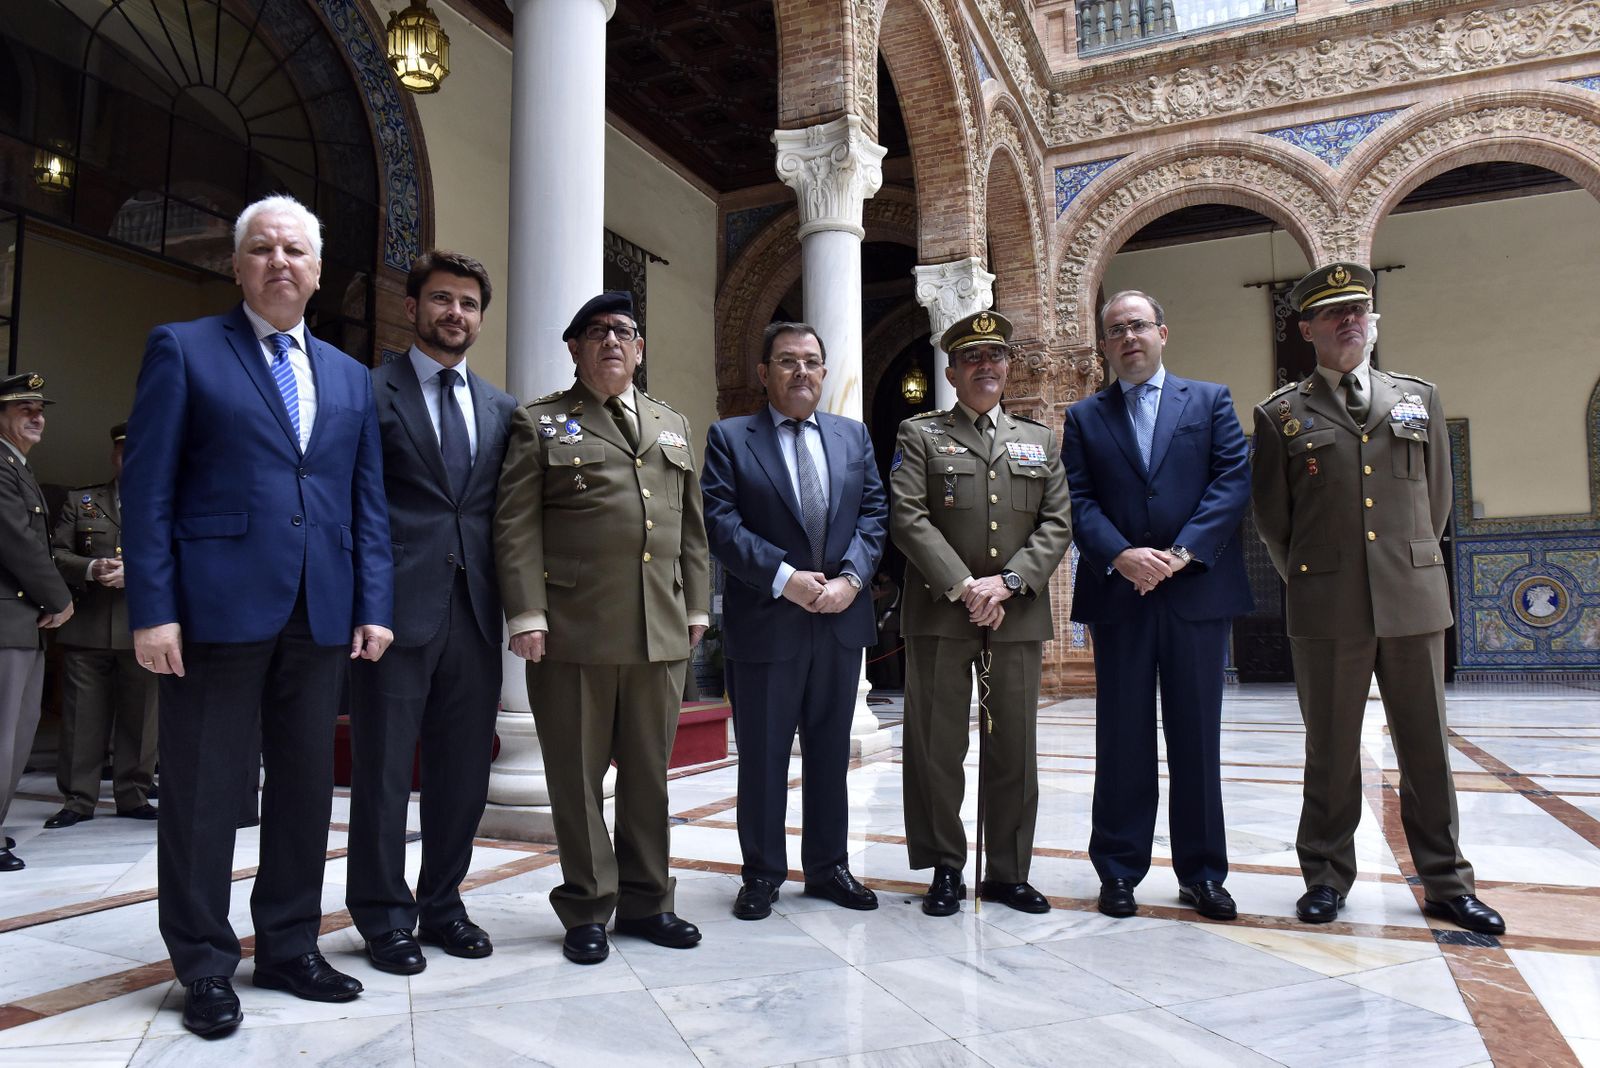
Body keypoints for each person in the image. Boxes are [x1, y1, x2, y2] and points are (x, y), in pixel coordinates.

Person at [122, 194, 395, 1037]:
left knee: (308, 791)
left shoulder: (351, 377)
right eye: (263, 249)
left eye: (296, 251)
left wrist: (373, 604)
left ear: (319, 273)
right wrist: (153, 610)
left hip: (319, 613)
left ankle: (287, 945)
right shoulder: (185, 349)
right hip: (214, 611)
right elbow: (149, 489)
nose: (281, 262)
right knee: (204, 793)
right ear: (237, 266)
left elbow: (365, 502)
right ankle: (204, 962)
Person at [1251, 261, 1504, 935]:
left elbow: (1438, 499)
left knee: (1426, 747)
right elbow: (1274, 522)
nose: (1349, 320)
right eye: (1334, 313)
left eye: (1358, 309)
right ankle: (1326, 878)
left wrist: (1405, 562)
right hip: (1326, 604)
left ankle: (1448, 881)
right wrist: (1317, 576)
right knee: (1330, 749)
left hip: (1413, 598)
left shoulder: (1417, 397)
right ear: (1307, 328)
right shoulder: (1280, 414)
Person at [495, 291, 710, 964]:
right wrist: (526, 613)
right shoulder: (542, 423)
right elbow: (516, 526)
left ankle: (649, 902)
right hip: (572, 633)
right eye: (596, 333)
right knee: (577, 779)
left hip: (660, 632)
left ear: (639, 350)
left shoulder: (670, 423)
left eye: (622, 332)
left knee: (649, 776)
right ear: (576, 349)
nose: (611, 341)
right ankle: (588, 906)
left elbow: (691, 530)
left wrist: (697, 607)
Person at [347, 251, 515, 975]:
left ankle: (442, 905)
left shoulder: (501, 409)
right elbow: (353, 505)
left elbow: (503, 515)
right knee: (384, 772)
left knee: (461, 774)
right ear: (412, 308)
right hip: (392, 613)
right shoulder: (367, 392)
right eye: (442, 300)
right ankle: (384, 917)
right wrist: (363, 601)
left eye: (469, 304)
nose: (456, 314)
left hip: (476, 614)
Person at [1060, 291, 1253, 922]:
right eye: (1116, 331)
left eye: (1138, 326)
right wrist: (1122, 556)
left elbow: (1231, 480)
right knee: (1122, 738)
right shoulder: (1085, 417)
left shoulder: (1209, 400)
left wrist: (1181, 553)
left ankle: (1203, 873)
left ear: (1163, 333)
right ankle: (1118, 870)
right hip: (1122, 596)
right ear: (1105, 346)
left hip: (1194, 593)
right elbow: (1078, 499)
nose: (1128, 338)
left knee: (1197, 737)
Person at [701, 321, 888, 920]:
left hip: (839, 620)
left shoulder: (852, 437)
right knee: (763, 755)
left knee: (832, 752)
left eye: (811, 361)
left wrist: (851, 579)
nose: (801, 371)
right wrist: (787, 580)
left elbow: (875, 515)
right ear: (764, 373)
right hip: (767, 621)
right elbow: (722, 523)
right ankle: (761, 873)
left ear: (825, 372)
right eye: (787, 361)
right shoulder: (731, 438)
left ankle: (830, 866)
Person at [890, 310, 1071, 916]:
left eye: (995, 356)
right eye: (972, 358)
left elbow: (1057, 522)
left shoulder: (1039, 440)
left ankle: (1008, 871)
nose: (985, 366)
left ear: (1008, 367)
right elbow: (907, 516)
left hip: (1015, 615)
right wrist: (967, 586)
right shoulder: (920, 434)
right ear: (952, 370)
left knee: (1013, 746)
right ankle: (944, 865)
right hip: (942, 614)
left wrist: (1009, 583)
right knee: (936, 745)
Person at [45, 421, 158, 829]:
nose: (130, 457)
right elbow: (55, 553)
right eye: (123, 450)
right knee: (82, 719)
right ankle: (78, 799)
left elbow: (183, 556)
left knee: (141, 718)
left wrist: (137, 573)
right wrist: (92, 567)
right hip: (87, 626)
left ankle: (133, 794)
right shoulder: (83, 500)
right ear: (114, 455)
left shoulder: (166, 503)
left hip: (142, 628)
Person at [0, 374, 75, 873]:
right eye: (24, 408)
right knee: (4, 734)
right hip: (8, 621)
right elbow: (17, 542)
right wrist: (60, 598)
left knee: (17, 734)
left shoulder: (18, 467)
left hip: (20, 621)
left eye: (39, 408)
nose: (37, 415)